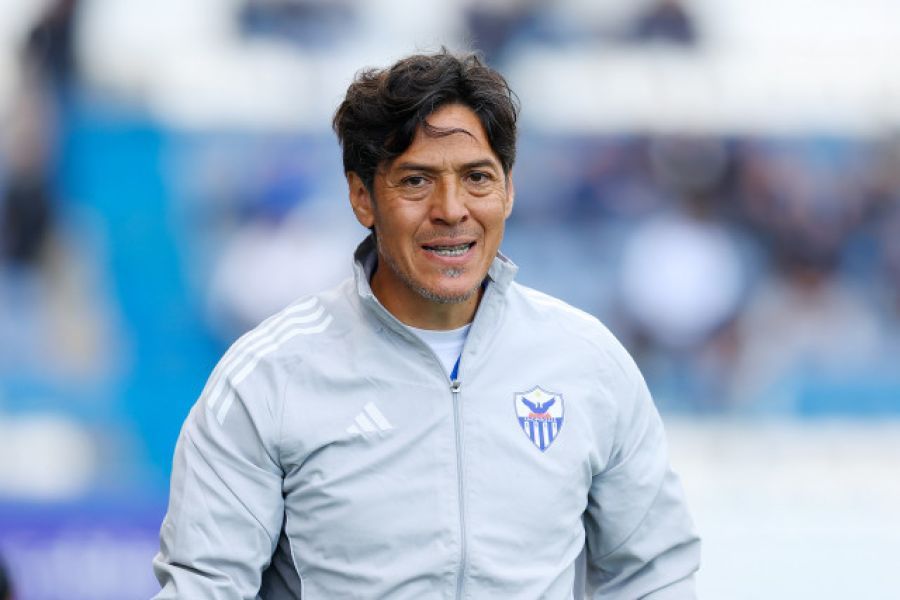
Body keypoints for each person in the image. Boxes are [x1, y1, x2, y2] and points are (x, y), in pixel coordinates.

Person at [152, 49, 700, 599]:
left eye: (477, 177)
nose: (451, 209)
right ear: (362, 197)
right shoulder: (268, 378)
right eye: (416, 181)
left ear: (509, 190)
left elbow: (654, 575)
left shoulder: (589, 362)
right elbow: (204, 586)